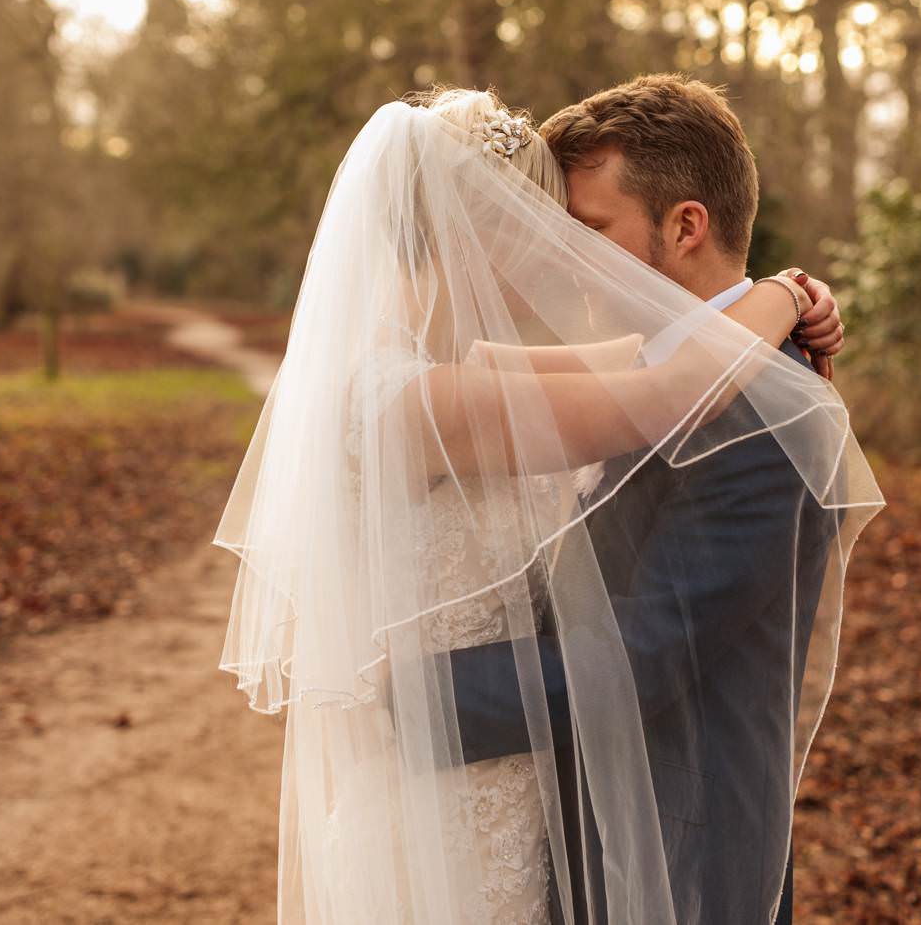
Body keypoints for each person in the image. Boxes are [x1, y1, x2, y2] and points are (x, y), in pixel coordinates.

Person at [214, 83, 883, 924]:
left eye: (583, 231)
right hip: (451, 804)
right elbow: (668, 388)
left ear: (684, 225)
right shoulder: (410, 395)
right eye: (536, 226)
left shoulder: (736, 409)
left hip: (647, 843)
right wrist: (786, 292)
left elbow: (651, 370)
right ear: (474, 233)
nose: (562, 253)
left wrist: (775, 307)